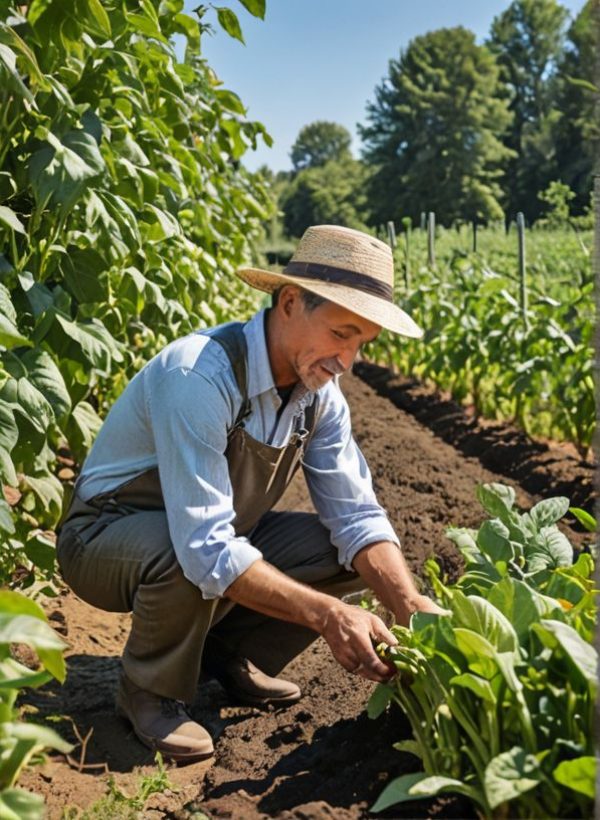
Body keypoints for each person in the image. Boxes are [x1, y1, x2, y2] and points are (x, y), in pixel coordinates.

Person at [57, 224, 444, 763]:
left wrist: (409, 605)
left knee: (349, 554)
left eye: (361, 344)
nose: (347, 360)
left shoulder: (319, 395)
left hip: (203, 530)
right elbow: (205, 547)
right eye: (340, 333)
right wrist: (329, 616)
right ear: (289, 302)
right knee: (186, 553)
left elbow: (357, 514)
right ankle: (149, 691)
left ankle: (224, 654)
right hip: (103, 535)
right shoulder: (200, 375)